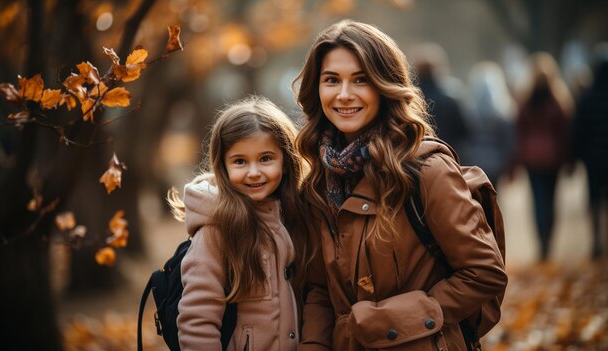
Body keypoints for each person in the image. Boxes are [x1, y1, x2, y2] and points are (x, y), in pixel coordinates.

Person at [293, 20, 507, 351]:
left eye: (360, 80)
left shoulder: (426, 170)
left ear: (384, 85)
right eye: (331, 80)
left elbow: (484, 274)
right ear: (316, 88)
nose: (344, 94)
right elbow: (321, 290)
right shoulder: (318, 183)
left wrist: (387, 322)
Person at [167, 96, 308, 350]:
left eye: (266, 158)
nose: (254, 172)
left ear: (286, 162)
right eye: (240, 161)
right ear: (223, 166)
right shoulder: (216, 230)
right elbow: (197, 319)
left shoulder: (293, 216)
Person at [513, 52, 574, 261]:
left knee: (538, 200)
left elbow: (519, 131)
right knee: (552, 200)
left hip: (532, 157)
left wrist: (518, 156)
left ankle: (541, 241)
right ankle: (549, 241)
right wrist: (568, 160)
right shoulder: (558, 102)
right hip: (553, 157)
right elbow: (565, 133)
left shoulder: (526, 102)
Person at [573, 47, 608, 259]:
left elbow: (578, 130)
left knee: (594, 200)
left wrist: (577, 155)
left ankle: (596, 240)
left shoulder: (586, 99)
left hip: (593, 159)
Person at [463, 61, 516, 189]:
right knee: (493, 194)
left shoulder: (467, 108)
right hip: (496, 162)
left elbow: (464, 136)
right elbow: (508, 141)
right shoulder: (504, 110)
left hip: (473, 160)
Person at [413, 42, 469, 158]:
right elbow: (464, 131)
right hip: (448, 156)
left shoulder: (409, 101)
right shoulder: (450, 101)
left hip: (415, 159)